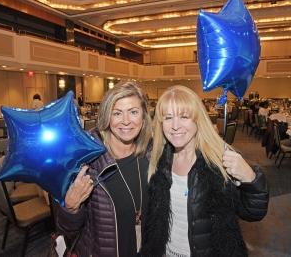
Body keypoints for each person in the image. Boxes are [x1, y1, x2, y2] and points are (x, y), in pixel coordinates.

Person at [140, 85, 269, 257]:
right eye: (168, 118)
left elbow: (254, 213)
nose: (175, 126)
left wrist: (251, 179)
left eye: (184, 116)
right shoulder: (158, 161)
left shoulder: (219, 160)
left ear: (197, 120)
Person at [56, 82, 152, 257]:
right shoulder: (88, 163)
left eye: (133, 112)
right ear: (107, 117)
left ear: (144, 117)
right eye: (117, 113)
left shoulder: (151, 154)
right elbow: (67, 231)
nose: (126, 121)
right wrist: (70, 209)